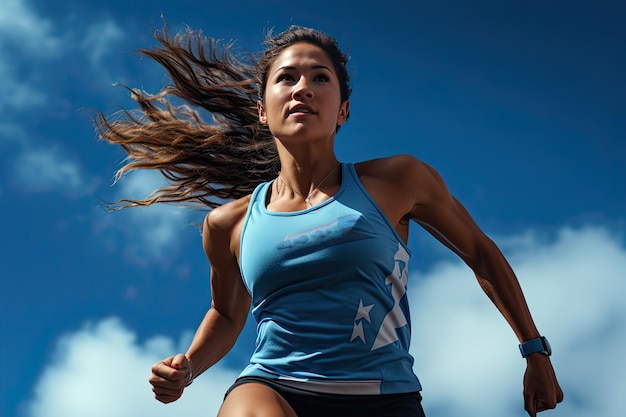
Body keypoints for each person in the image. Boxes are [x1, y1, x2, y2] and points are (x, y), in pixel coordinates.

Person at [97, 24, 563, 417]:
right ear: (263, 111)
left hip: (385, 397)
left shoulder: (398, 180)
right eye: (286, 78)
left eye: (320, 78)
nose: (302, 88)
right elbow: (226, 313)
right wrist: (188, 368)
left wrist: (533, 348)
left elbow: (479, 252)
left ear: (342, 110)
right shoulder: (228, 224)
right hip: (274, 387)